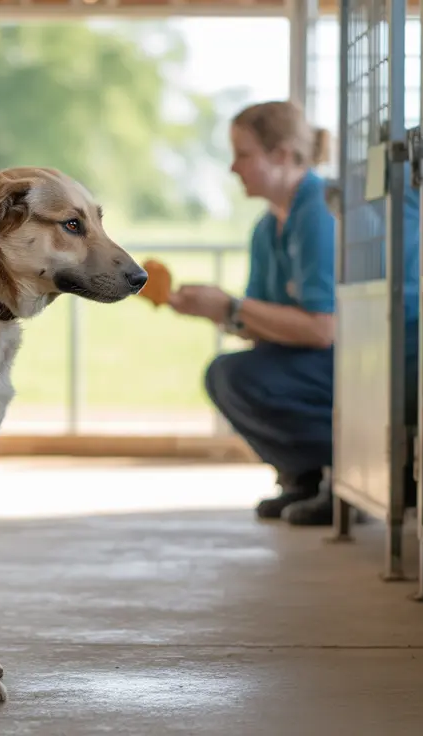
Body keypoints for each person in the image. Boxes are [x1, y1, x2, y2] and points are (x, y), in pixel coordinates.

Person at [167, 100, 339, 526]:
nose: (233, 168)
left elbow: (322, 329)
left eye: (243, 154)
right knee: (228, 374)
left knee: (238, 376)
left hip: (356, 356)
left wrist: (230, 307)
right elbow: (262, 326)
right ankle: (305, 477)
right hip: (314, 359)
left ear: (282, 155)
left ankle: (348, 474)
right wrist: (215, 311)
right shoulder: (267, 229)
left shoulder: (320, 211)